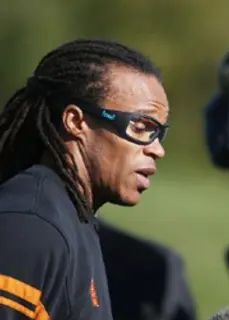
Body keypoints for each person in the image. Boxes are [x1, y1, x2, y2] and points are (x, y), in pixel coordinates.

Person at [0, 39, 169, 319]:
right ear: (76, 122)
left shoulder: (74, 217)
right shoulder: (31, 227)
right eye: (141, 127)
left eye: (159, 133)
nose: (157, 149)